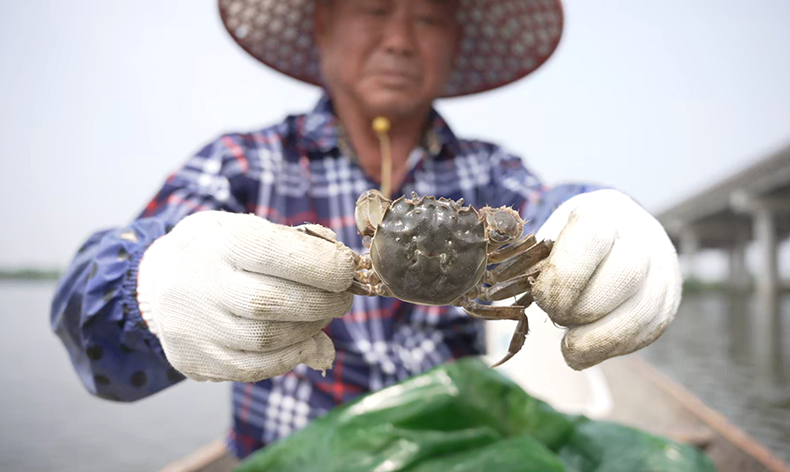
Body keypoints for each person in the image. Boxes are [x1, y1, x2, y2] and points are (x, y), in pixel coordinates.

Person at [51, 0, 681, 459]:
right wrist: (147, 285)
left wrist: (602, 212)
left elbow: (551, 215)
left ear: (454, 43)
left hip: (455, 450)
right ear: (323, 24)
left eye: (429, 18)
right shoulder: (243, 166)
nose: (401, 39)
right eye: (376, 7)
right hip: (292, 454)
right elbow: (95, 331)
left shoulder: (491, 171)